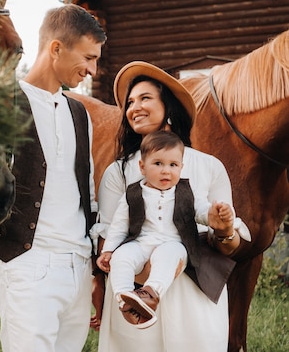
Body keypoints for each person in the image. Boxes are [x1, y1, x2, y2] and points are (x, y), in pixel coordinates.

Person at [92, 61, 251, 351]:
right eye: (129, 102)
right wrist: (123, 280)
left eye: (145, 98)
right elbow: (107, 236)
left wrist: (224, 229)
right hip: (132, 296)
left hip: (195, 296)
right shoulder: (118, 173)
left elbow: (230, 247)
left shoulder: (210, 167)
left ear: (169, 106)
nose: (134, 107)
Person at [0, 4, 106, 352]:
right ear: (56, 48)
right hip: (29, 265)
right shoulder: (3, 102)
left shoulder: (79, 112)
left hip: (79, 267)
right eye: (88, 58)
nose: (93, 70)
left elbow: (87, 193)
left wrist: (94, 272)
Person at [96, 130, 234, 329]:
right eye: (158, 164)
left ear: (181, 167)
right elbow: (118, 225)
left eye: (173, 165)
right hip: (140, 242)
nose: (166, 171)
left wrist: (213, 214)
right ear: (142, 167)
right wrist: (109, 250)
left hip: (174, 243)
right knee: (122, 257)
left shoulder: (186, 192)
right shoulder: (133, 194)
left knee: (168, 255)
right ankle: (125, 300)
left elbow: (201, 209)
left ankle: (150, 294)